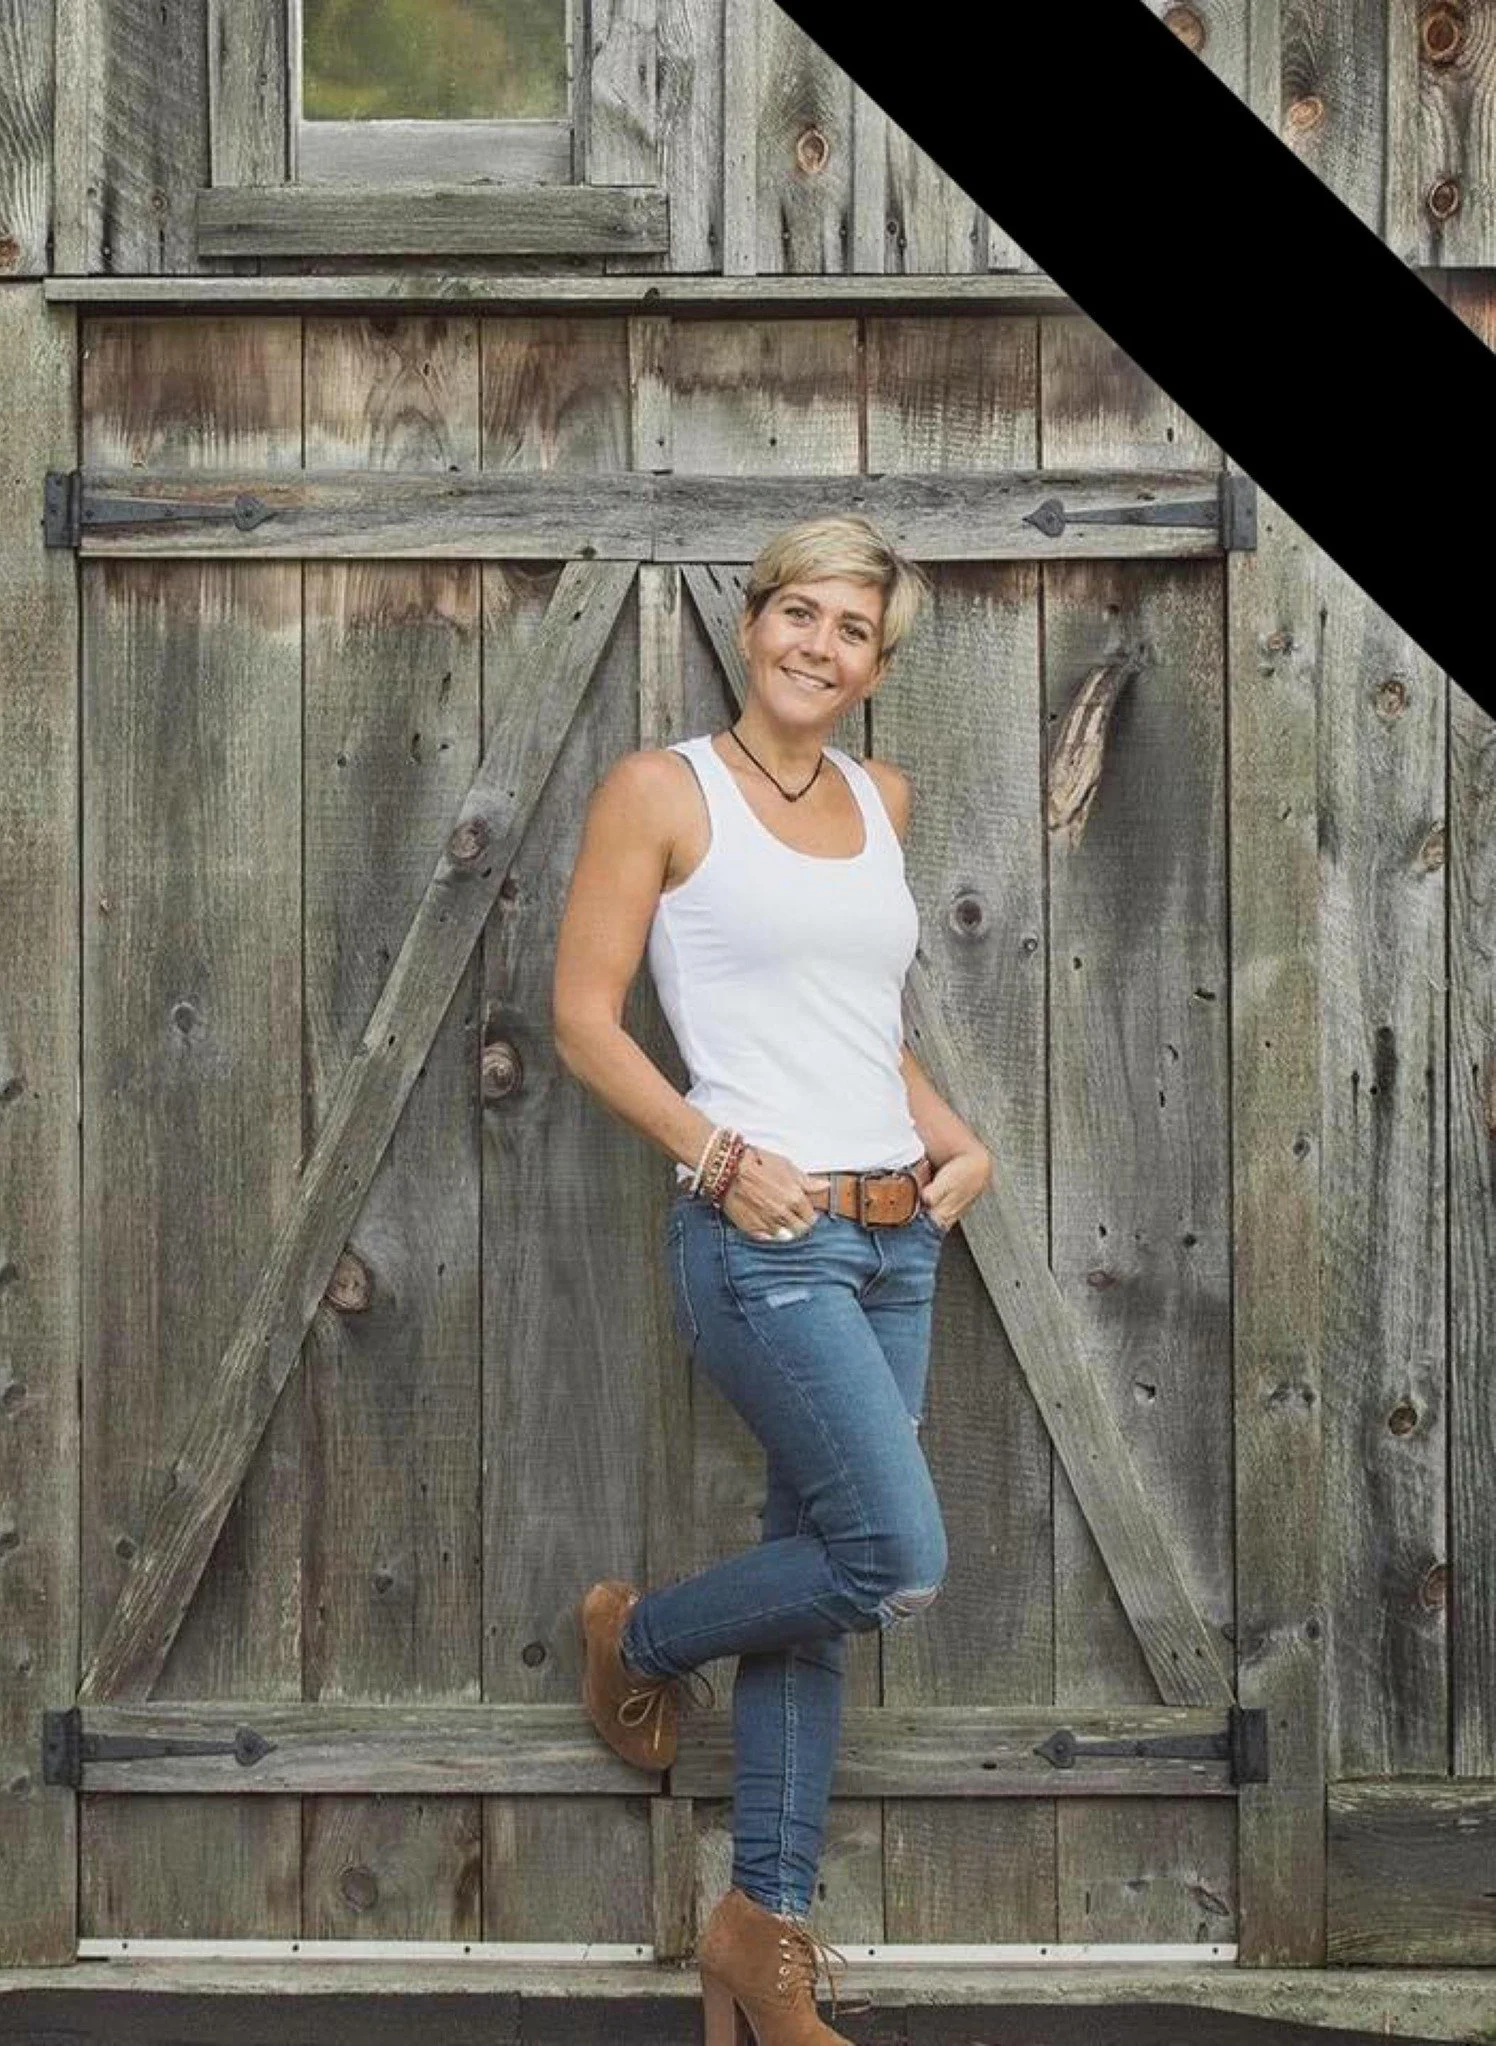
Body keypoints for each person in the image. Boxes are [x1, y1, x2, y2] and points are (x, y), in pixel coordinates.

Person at [550, 515, 994, 2046]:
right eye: (800, 612)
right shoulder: (660, 791)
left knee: (815, 1576)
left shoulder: (883, 797)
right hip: (763, 1239)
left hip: (896, 1234)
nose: (822, 644)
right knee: (893, 1557)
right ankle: (642, 1636)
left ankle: (762, 1934)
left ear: (877, 666)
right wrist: (720, 1156)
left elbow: (862, 1020)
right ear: (752, 623)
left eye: (854, 629)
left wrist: (954, 1140)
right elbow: (584, 1020)